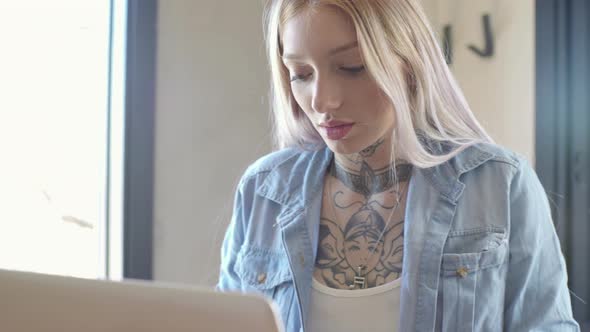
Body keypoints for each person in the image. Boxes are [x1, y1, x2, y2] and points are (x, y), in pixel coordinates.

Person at [216, 0, 580, 331]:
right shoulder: (264, 190)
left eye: (352, 67)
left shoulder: (500, 183)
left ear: (408, 64)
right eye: (301, 74)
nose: (322, 101)